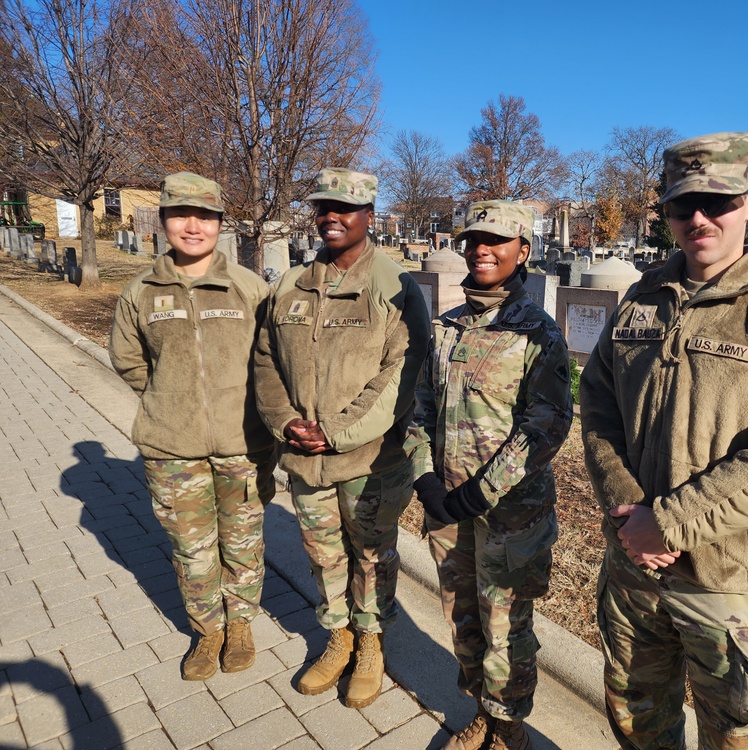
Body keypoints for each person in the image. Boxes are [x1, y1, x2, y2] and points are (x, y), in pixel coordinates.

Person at [579, 132, 748, 750]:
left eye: (717, 202)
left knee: (737, 739)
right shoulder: (639, 304)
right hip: (634, 571)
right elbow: (598, 406)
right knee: (639, 724)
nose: (698, 218)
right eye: (680, 204)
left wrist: (667, 523)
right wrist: (625, 508)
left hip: (726, 585)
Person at [254, 168, 430, 708]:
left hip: (368, 460)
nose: (331, 217)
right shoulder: (289, 286)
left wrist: (334, 432)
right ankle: (339, 635)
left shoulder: (394, 286)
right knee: (323, 552)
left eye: (344, 208)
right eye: (322, 208)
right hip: (305, 458)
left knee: (371, 553)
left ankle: (372, 643)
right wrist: (285, 422)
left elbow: (403, 373)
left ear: (368, 217)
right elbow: (265, 361)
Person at [408, 200, 574, 750]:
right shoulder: (447, 326)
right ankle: (480, 707)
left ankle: (508, 726)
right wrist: (425, 480)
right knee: (462, 616)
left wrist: (479, 491)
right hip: (447, 508)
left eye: (496, 241)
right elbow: (420, 409)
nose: (481, 250)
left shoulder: (538, 334)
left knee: (506, 627)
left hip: (509, 514)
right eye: (473, 240)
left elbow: (546, 426)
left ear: (522, 251)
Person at [109, 172, 275, 681]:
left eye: (204, 216)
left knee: (242, 541)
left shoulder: (250, 288)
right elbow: (128, 361)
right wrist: (170, 401)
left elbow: (272, 363)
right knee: (192, 547)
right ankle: (208, 632)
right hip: (171, 447)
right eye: (181, 214)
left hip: (242, 443)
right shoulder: (141, 291)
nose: (192, 226)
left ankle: (241, 623)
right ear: (163, 221)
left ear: (219, 222)